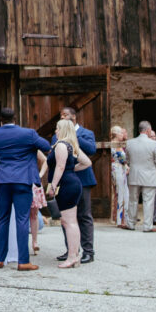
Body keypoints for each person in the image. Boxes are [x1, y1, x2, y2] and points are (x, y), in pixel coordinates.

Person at [0, 107, 51, 270]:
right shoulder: (29, 134)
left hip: (4, 180)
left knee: (2, 219)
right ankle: (23, 261)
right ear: (15, 119)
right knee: (22, 219)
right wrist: (30, 147)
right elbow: (46, 146)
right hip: (23, 179)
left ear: (1, 120)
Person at [52, 107, 97, 264]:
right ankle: (71, 250)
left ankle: (88, 251)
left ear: (73, 118)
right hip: (64, 183)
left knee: (84, 216)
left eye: (66, 116)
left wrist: (73, 134)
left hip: (82, 180)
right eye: (61, 116)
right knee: (66, 218)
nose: (62, 118)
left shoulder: (86, 133)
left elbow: (92, 150)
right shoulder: (57, 136)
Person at [46, 119, 91, 268]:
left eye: (57, 128)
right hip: (72, 182)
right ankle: (74, 255)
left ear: (63, 130)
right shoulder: (72, 145)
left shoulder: (60, 145)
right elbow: (86, 162)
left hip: (65, 185)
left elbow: (59, 166)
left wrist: (52, 185)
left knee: (69, 221)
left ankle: (72, 256)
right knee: (69, 221)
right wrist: (71, 170)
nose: (55, 131)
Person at [124, 121, 156, 233]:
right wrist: (154, 172)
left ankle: (131, 224)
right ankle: (147, 226)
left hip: (134, 175)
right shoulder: (154, 144)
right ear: (148, 130)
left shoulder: (130, 143)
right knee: (148, 201)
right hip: (149, 176)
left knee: (133, 200)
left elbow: (127, 160)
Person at [109, 126, 129, 227]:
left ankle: (123, 218)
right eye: (121, 133)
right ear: (116, 134)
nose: (123, 135)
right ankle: (120, 220)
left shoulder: (118, 144)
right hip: (117, 169)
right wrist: (126, 164)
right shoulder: (114, 144)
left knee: (124, 193)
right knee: (121, 193)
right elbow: (121, 159)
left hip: (120, 169)